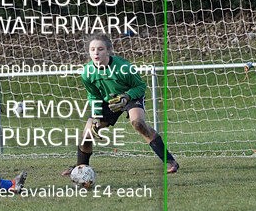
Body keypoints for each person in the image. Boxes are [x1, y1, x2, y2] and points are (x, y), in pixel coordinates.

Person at [63, 33, 179, 177]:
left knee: (138, 123)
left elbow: (140, 86)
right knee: (87, 134)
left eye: (100, 49)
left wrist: (127, 96)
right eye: (92, 50)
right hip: (108, 101)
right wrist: (97, 115)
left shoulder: (123, 67)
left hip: (130, 96)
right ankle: (80, 168)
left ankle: (170, 161)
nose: (96, 53)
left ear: (108, 51)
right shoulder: (87, 72)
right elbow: (93, 96)